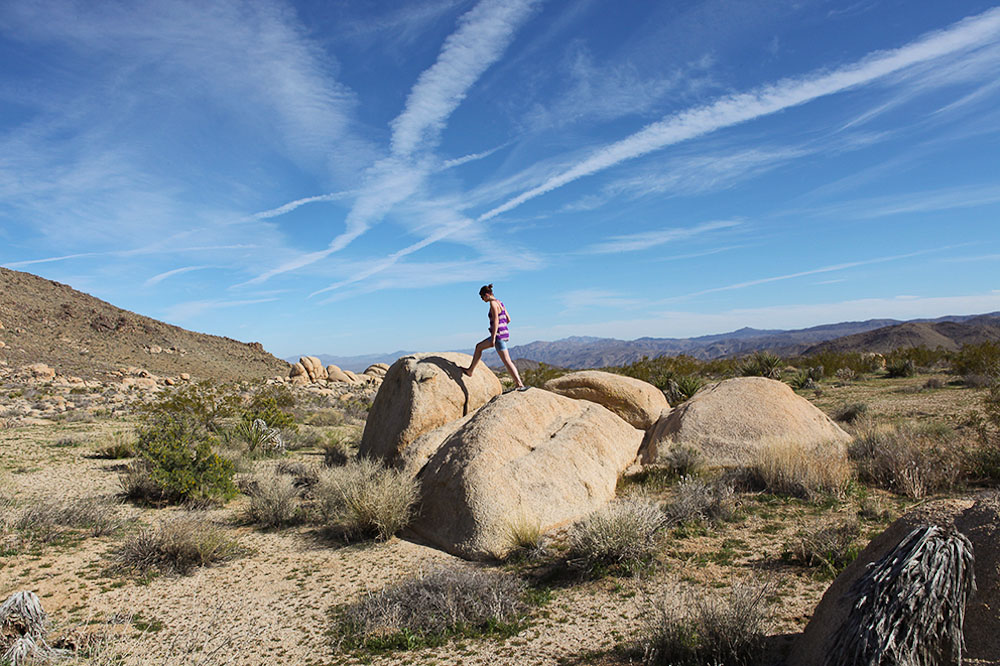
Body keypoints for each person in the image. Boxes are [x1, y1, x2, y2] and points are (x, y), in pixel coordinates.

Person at [463, 284, 528, 391]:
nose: (482, 299)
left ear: (487, 295)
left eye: (482, 297)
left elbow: (496, 320)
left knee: (505, 360)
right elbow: (508, 319)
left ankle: (519, 384)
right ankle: (519, 383)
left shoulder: (493, 304)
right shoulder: (500, 302)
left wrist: (493, 337)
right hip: (504, 334)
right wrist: (503, 327)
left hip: (498, 336)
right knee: (480, 347)